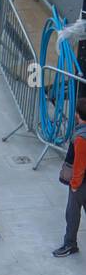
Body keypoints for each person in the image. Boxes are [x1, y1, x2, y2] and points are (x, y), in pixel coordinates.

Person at [53, 96, 86, 257]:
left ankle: (70, 244)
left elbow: (79, 165)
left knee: (72, 213)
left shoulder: (81, 138)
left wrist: (74, 184)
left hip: (81, 184)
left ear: (78, 115)